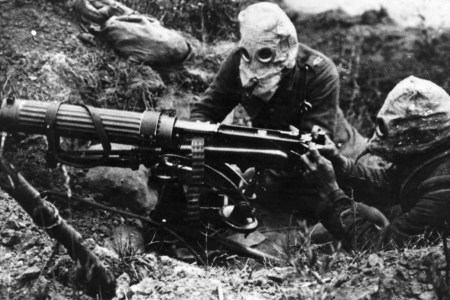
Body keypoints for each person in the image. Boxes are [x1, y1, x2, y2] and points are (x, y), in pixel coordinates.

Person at [190, 2, 366, 218]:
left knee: (349, 219)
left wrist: (252, 182)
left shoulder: (319, 72)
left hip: (336, 160)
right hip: (276, 159)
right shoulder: (238, 62)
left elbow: (312, 151)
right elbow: (205, 111)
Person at [301, 76, 450, 250]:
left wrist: (331, 193)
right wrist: (340, 166)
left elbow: (379, 247)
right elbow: (390, 182)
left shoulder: (443, 188)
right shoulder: (434, 156)